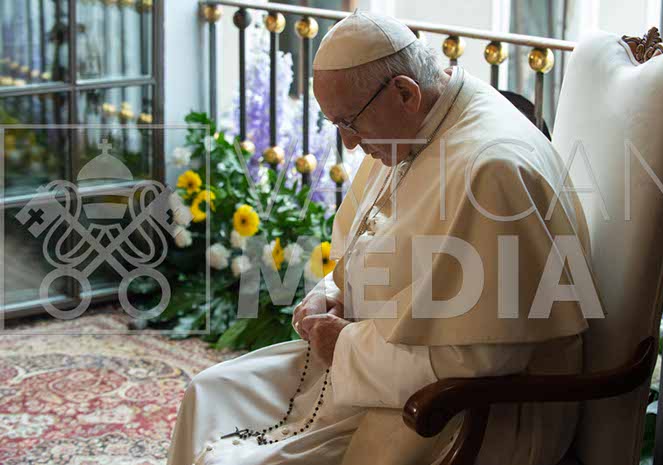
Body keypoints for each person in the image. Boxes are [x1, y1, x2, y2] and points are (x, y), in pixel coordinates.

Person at [167, 10, 598, 465]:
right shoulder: (418, 124)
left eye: (349, 123)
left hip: (467, 411)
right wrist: (332, 293)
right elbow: (378, 242)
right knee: (208, 394)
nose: (349, 143)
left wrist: (345, 347)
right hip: (381, 366)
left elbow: (485, 360)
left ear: (405, 92)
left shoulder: (493, 170)